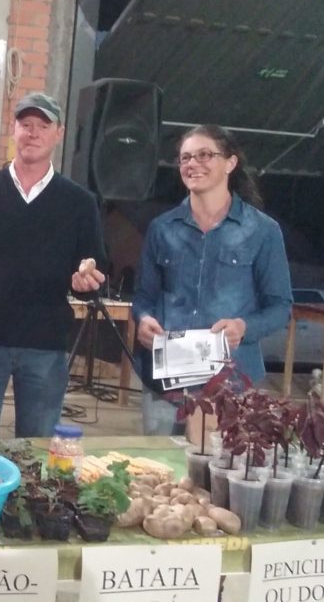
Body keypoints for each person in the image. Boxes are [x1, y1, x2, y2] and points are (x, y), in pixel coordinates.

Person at [0, 92, 106, 439]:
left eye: (43, 125)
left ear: (59, 133)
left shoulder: (79, 203)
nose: (33, 133)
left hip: (45, 344)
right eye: (25, 125)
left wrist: (87, 282)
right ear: (13, 130)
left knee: (38, 450)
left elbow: (94, 268)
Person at [133, 124, 292, 435]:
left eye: (205, 155)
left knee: (218, 478)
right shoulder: (161, 229)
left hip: (231, 383)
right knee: (161, 475)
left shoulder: (262, 231)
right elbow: (143, 296)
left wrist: (244, 328)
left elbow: (280, 307)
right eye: (185, 158)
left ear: (230, 163)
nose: (193, 164)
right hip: (167, 382)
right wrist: (143, 318)